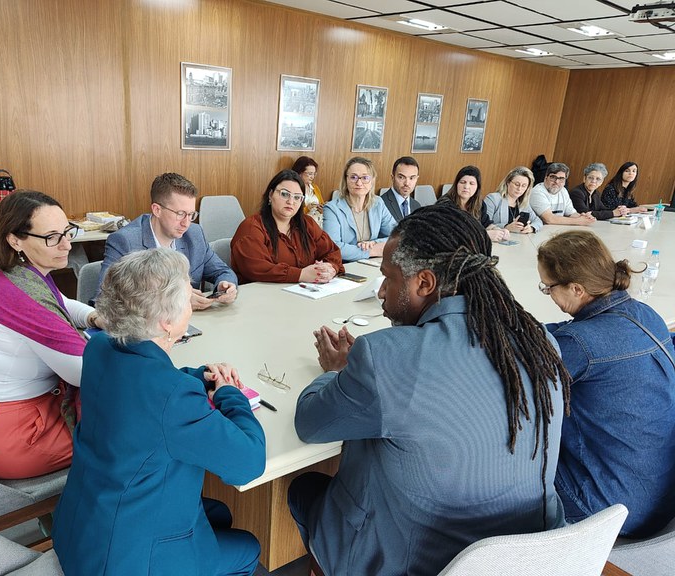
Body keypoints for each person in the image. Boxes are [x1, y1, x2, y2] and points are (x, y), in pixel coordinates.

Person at [289, 204, 570, 576]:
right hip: (521, 558)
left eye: (388, 278)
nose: (382, 292)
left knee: (304, 489)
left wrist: (339, 370)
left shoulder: (384, 356)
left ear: (424, 283)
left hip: (417, 563)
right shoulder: (541, 341)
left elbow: (310, 423)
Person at [52, 248, 266, 576]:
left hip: (82, 528)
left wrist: (199, 377)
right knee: (248, 547)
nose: (192, 300)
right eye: (186, 294)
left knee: (220, 513)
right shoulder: (172, 396)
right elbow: (249, 463)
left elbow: (141, 385)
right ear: (166, 321)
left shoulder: (98, 347)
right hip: (127, 562)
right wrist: (230, 396)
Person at [0, 190, 101, 479]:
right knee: (124, 433)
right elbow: (86, 373)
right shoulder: (22, 296)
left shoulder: (14, 273)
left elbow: (60, 302)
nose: (67, 245)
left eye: (68, 232)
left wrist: (93, 316)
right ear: (15, 239)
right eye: (52, 237)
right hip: (1, 438)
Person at [537, 230, 675, 537]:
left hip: (607, 510)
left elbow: (517, 381)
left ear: (576, 289)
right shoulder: (646, 314)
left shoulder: (578, 345)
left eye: (548, 288)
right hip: (661, 500)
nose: (548, 293)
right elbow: (574, 330)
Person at [98, 172, 238, 310]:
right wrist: (179, 300)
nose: (186, 223)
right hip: (147, 328)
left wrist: (225, 285)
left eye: (191, 215)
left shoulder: (194, 235)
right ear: (157, 210)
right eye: (180, 214)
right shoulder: (125, 241)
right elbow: (103, 298)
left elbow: (223, 271)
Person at [230, 170, 344, 284]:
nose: (291, 201)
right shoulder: (251, 227)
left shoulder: (307, 223)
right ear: (270, 195)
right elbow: (256, 268)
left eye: (297, 197)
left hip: (304, 292)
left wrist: (330, 268)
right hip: (261, 295)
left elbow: (331, 251)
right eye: (284, 194)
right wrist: (301, 275)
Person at [322, 157, 396, 262]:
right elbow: (332, 248)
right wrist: (370, 251)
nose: (359, 183)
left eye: (365, 178)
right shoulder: (332, 209)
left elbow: (397, 235)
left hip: (372, 264)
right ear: (346, 180)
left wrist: (375, 243)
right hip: (344, 267)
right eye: (353, 177)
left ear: (372, 181)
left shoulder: (378, 203)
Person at [438, 165, 510, 242]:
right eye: (462, 182)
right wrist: (485, 235)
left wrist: (499, 230)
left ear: (477, 188)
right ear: (456, 185)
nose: (466, 186)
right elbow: (449, 234)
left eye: (471, 183)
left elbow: (486, 223)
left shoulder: (479, 204)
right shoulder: (445, 205)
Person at [529, 162, 596, 226]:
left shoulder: (563, 191)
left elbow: (571, 213)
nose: (557, 182)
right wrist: (579, 221)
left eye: (561, 179)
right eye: (553, 177)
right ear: (546, 177)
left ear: (565, 181)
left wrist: (583, 217)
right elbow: (549, 219)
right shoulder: (537, 192)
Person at [483, 166, 543, 234]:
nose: (519, 189)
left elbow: (538, 221)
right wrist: (506, 227)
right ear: (508, 182)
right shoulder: (493, 199)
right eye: (517, 184)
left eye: (524, 186)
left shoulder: (523, 203)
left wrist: (531, 228)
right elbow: (483, 225)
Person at [381, 156, 421, 222]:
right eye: (401, 177)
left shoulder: (417, 205)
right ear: (392, 177)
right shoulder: (381, 204)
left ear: (416, 179)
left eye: (411, 178)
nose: (407, 183)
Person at [291, 156, 324, 225]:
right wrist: (308, 208)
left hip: (319, 222)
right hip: (302, 224)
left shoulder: (315, 188)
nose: (312, 177)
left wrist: (322, 209)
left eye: (314, 174)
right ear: (300, 173)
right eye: (310, 174)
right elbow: (292, 213)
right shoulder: (293, 189)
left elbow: (322, 205)